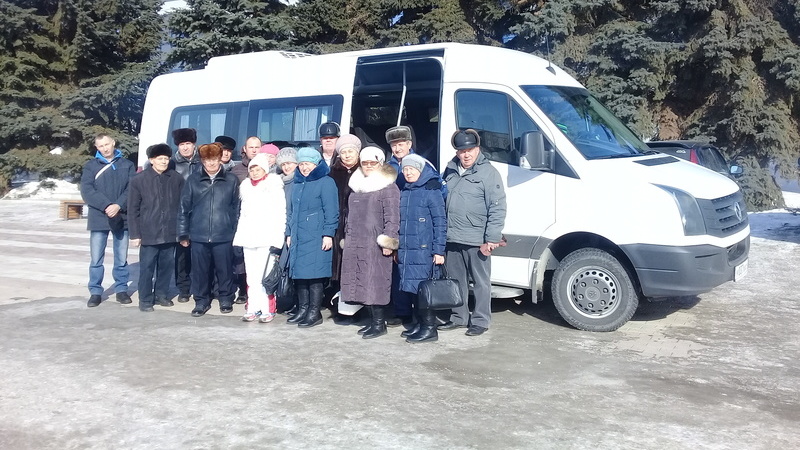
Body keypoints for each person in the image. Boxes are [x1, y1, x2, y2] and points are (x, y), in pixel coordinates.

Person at [439, 129, 506, 336]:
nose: (466, 154)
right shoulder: (450, 170)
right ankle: (459, 317)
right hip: (452, 237)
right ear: (457, 152)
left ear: (477, 149)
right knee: (456, 281)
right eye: (462, 151)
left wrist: (492, 238)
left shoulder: (489, 173)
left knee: (480, 283)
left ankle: (480, 320)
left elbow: (497, 207)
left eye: (470, 150)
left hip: (477, 240)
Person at [385, 125, 447, 324]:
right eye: (394, 145)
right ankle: (403, 313)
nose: (397, 148)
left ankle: (423, 321)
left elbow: (439, 193)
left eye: (401, 144)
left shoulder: (422, 163)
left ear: (409, 144)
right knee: (401, 275)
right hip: (401, 227)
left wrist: (436, 187)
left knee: (419, 278)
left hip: (419, 230)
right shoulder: (388, 167)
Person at [339, 146, 400, 338]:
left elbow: (392, 217)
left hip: (375, 243)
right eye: (365, 163)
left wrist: (389, 241)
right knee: (361, 282)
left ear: (380, 163)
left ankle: (380, 324)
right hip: (356, 240)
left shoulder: (388, 187)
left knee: (377, 281)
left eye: (372, 163)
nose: (368, 166)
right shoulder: (356, 186)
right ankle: (371, 320)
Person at [178, 143, 241, 317]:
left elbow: (236, 208)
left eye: (214, 159)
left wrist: (235, 231)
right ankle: (201, 300)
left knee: (225, 270)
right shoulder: (193, 180)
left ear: (220, 159)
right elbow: (184, 208)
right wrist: (183, 233)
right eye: (207, 160)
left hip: (223, 233)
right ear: (202, 161)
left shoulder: (231, 180)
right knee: (200, 271)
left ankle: (225, 298)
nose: (211, 163)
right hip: (199, 233)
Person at [80, 133, 136, 307]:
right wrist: (106, 205)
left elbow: (132, 188)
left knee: (121, 257)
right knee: (96, 258)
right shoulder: (91, 166)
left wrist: (118, 205)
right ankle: (95, 291)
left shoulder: (127, 165)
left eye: (107, 144)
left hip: (121, 216)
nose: (105, 148)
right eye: (101, 146)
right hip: (99, 217)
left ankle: (121, 289)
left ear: (113, 143)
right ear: (97, 148)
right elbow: (87, 190)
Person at [285, 147, 339, 328]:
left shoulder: (326, 182)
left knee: (315, 275)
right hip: (299, 235)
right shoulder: (297, 183)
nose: (304, 168)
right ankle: (303, 309)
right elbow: (291, 212)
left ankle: (314, 312)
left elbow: (332, 211)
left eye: (307, 164)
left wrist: (328, 234)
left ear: (316, 164)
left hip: (316, 235)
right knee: (300, 274)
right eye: (301, 164)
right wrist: (289, 233)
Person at [128, 143, 184, 312]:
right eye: (160, 159)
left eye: (166, 158)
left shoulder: (176, 178)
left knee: (166, 266)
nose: (164, 162)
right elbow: (133, 209)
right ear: (152, 160)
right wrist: (135, 234)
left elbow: (182, 205)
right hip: (149, 232)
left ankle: (161, 295)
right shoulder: (139, 180)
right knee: (147, 268)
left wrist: (182, 232)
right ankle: (145, 299)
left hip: (170, 231)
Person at [396, 154, 447, 343]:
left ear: (420, 170)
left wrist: (439, 251)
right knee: (412, 289)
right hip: (408, 250)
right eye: (405, 169)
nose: (408, 173)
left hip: (425, 251)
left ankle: (430, 328)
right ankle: (419, 324)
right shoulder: (406, 191)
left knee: (425, 290)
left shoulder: (431, 191)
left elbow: (440, 223)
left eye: (412, 169)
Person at [233, 153, 286, 323]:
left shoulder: (273, 186)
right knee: (252, 276)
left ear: (265, 170)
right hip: (249, 238)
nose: (255, 172)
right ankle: (253, 307)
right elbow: (243, 215)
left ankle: (267, 308)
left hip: (266, 237)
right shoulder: (246, 187)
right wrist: (239, 237)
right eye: (252, 169)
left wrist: (277, 239)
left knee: (265, 275)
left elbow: (280, 213)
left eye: (258, 169)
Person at [328, 134, 362, 317]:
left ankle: (357, 306)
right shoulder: (333, 173)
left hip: (357, 225)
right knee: (337, 265)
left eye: (351, 151)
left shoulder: (364, 171)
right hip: (337, 225)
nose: (347, 155)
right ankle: (338, 305)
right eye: (344, 152)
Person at [170, 127, 200, 303]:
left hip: (199, 213)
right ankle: (183, 288)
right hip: (180, 213)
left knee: (200, 254)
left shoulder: (202, 161)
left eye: (188, 143)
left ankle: (201, 287)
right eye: (182, 144)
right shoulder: (172, 163)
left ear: (194, 144)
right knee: (182, 255)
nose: (185, 147)